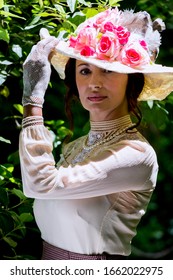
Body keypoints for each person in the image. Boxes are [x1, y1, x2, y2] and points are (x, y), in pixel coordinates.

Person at [19, 7, 173, 260]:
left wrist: (32, 102)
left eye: (108, 70)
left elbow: (41, 184)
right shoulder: (75, 147)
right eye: (85, 70)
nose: (94, 83)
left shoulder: (137, 154)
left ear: (131, 79)